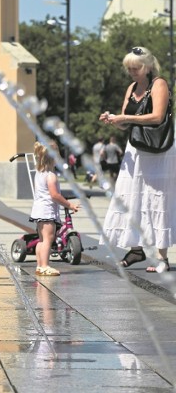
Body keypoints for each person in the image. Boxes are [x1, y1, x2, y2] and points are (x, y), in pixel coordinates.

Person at [99, 46, 176, 272]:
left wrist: (127, 117)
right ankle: (136, 249)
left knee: (158, 198)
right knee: (131, 197)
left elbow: (157, 116)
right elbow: (126, 123)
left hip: (159, 150)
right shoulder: (132, 87)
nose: (132, 72)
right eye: (129, 68)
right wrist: (114, 119)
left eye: (136, 68)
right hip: (136, 149)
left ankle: (162, 256)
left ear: (148, 66)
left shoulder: (159, 84)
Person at [29, 141, 80, 276]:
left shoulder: (39, 173)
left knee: (41, 239)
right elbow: (55, 195)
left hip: (38, 210)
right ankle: (45, 265)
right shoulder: (51, 176)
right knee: (48, 239)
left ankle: (40, 266)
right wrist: (69, 204)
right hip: (47, 211)